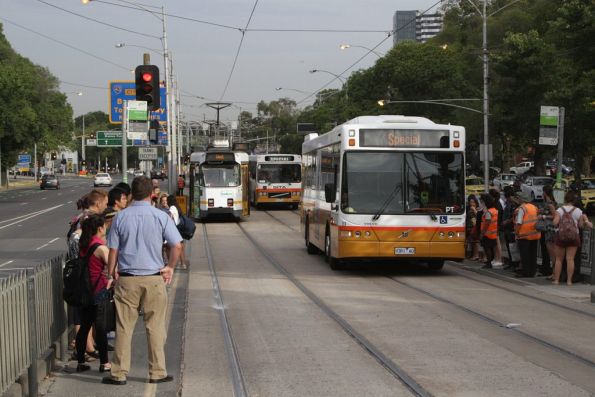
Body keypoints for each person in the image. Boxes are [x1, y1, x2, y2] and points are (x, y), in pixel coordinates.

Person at [102, 176, 182, 385]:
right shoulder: (161, 216)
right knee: (155, 327)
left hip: (127, 279)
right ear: (151, 194)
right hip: (154, 279)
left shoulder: (120, 217)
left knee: (123, 328)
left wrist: (112, 273)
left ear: (130, 195)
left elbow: (113, 250)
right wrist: (170, 267)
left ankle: (119, 373)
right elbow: (177, 245)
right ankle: (157, 372)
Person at [75, 214, 112, 373]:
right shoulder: (101, 248)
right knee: (101, 328)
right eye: (104, 226)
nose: (106, 229)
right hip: (99, 291)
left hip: (85, 292)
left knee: (85, 327)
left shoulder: (84, 246)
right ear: (99, 228)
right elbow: (114, 270)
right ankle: (104, 363)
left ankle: (81, 362)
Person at [552, 191, 593, 285]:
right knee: (570, 259)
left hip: (561, 236)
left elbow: (555, 222)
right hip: (574, 237)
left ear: (565, 199)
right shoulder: (578, 211)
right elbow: (581, 226)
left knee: (559, 259)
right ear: (574, 200)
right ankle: (569, 281)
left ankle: (556, 280)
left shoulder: (560, 210)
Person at [514, 190, 541, 277]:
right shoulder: (534, 207)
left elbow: (519, 222)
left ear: (521, 199)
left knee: (525, 255)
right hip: (534, 234)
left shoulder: (522, 208)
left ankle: (526, 272)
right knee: (533, 255)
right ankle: (532, 272)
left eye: (518, 198)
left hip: (524, 235)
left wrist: (516, 232)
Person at [538, 185, 558, 278]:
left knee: (552, 252)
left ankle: (555, 273)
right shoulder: (548, 203)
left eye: (543, 192)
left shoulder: (550, 203)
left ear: (545, 192)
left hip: (550, 229)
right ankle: (553, 272)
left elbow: (555, 215)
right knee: (550, 252)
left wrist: (544, 216)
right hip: (547, 229)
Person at [501, 186, 519, 270]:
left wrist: (507, 221)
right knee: (509, 246)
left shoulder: (514, 204)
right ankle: (512, 263)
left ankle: (515, 263)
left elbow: (514, 216)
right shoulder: (508, 203)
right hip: (507, 228)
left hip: (511, 228)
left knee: (513, 247)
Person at [167, 194, 188, 268]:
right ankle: (182, 264)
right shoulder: (177, 207)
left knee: (172, 247)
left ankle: (176, 263)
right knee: (181, 248)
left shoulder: (172, 208)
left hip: (175, 230)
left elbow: (170, 218)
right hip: (179, 230)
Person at [479, 193, 498, 269]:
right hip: (493, 233)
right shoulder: (495, 210)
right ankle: (490, 262)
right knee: (491, 248)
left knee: (487, 248)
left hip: (487, 233)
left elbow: (487, 223)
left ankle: (489, 263)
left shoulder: (488, 212)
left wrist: (482, 233)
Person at [489, 188, 504, 266]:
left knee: (497, 243)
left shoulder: (497, 204)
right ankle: (496, 258)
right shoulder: (496, 203)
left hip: (496, 225)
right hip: (495, 225)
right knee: (495, 243)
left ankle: (499, 259)